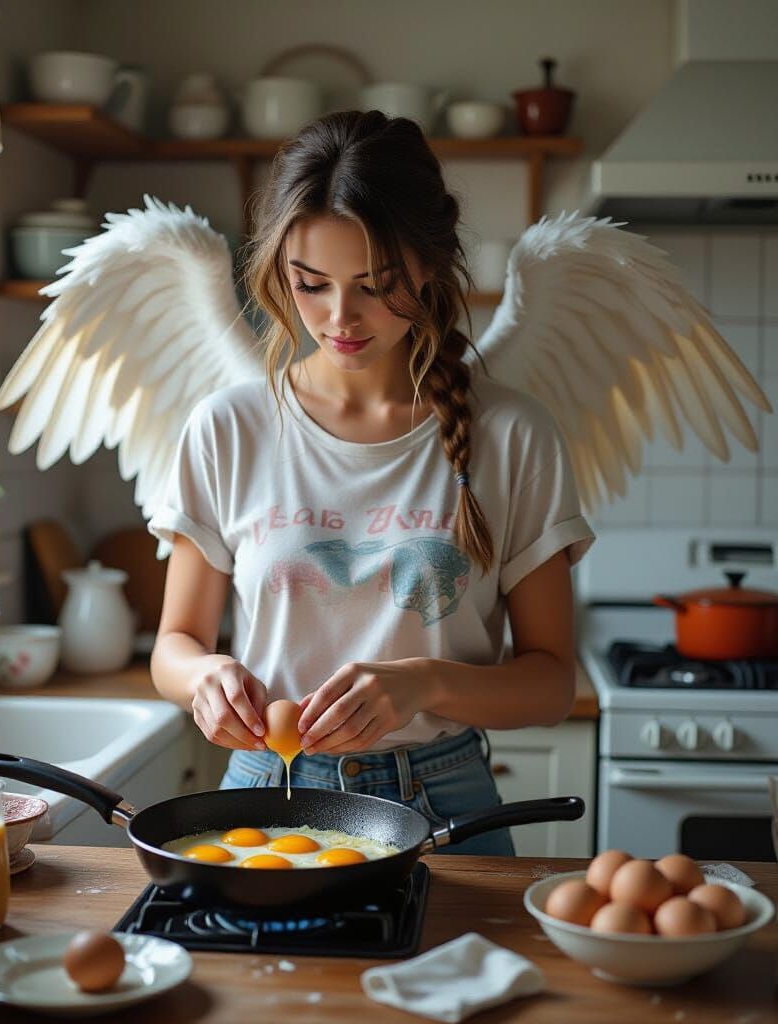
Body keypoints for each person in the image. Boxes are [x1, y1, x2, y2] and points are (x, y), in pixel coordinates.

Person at [148, 109, 595, 855]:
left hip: (444, 796)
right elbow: (175, 643)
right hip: (266, 792)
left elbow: (551, 683)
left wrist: (423, 683)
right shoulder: (229, 427)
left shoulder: (514, 435)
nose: (340, 317)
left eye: (375, 284)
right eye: (311, 284)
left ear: (428, 264)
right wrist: (204, 677)